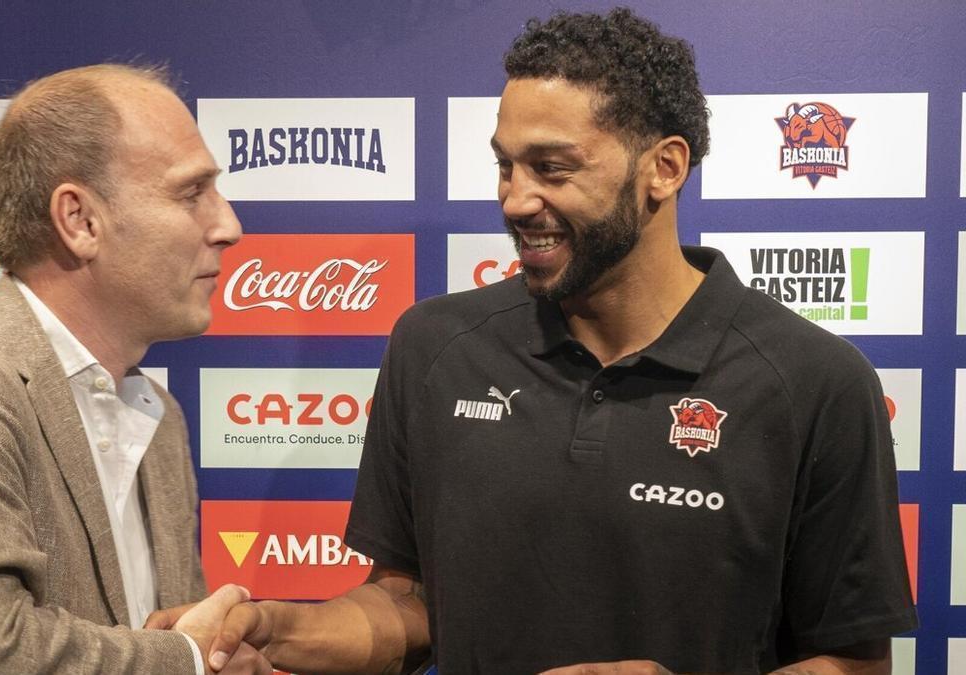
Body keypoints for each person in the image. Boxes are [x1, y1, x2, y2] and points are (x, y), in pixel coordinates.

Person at [166, 9, 917, 674]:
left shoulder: (817, 381)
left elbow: (854, 660)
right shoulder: (433, 347)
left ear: (664, 168)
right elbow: (409, 610)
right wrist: (276, 627)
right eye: (505, 165)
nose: (515, 199)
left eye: (551, 168)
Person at [0, 64, 270, 674]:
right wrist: (193, 660)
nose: (228, 226)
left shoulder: (161, 415)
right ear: (79, 221)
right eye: (191, 193)